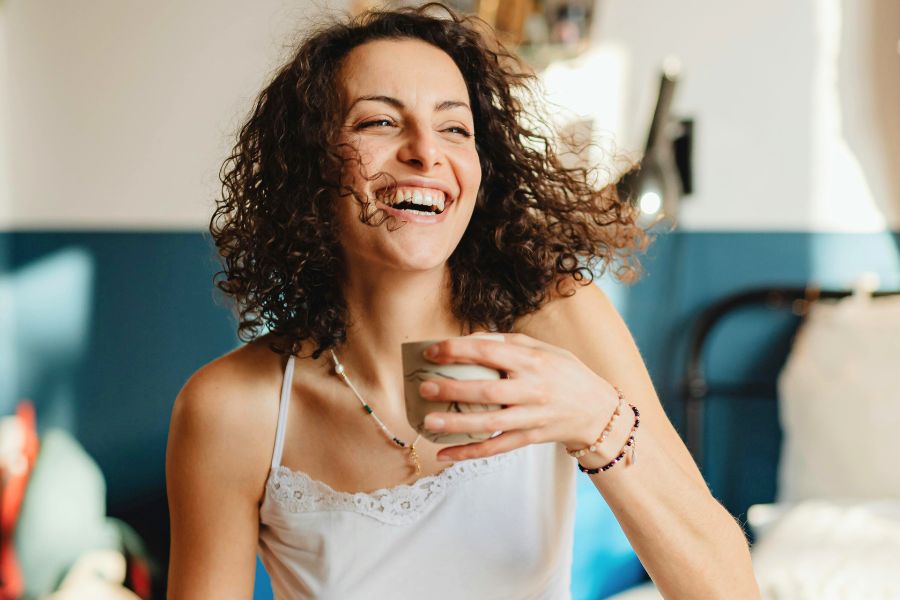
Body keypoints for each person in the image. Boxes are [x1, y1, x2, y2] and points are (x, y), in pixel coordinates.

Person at [166, 5, 759, 599]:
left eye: (454, 128)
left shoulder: (558, 319)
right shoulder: (230, 409)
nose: (427, 152)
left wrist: (595, 418)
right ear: (310, 161)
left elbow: (729, 590)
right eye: (379, 122)